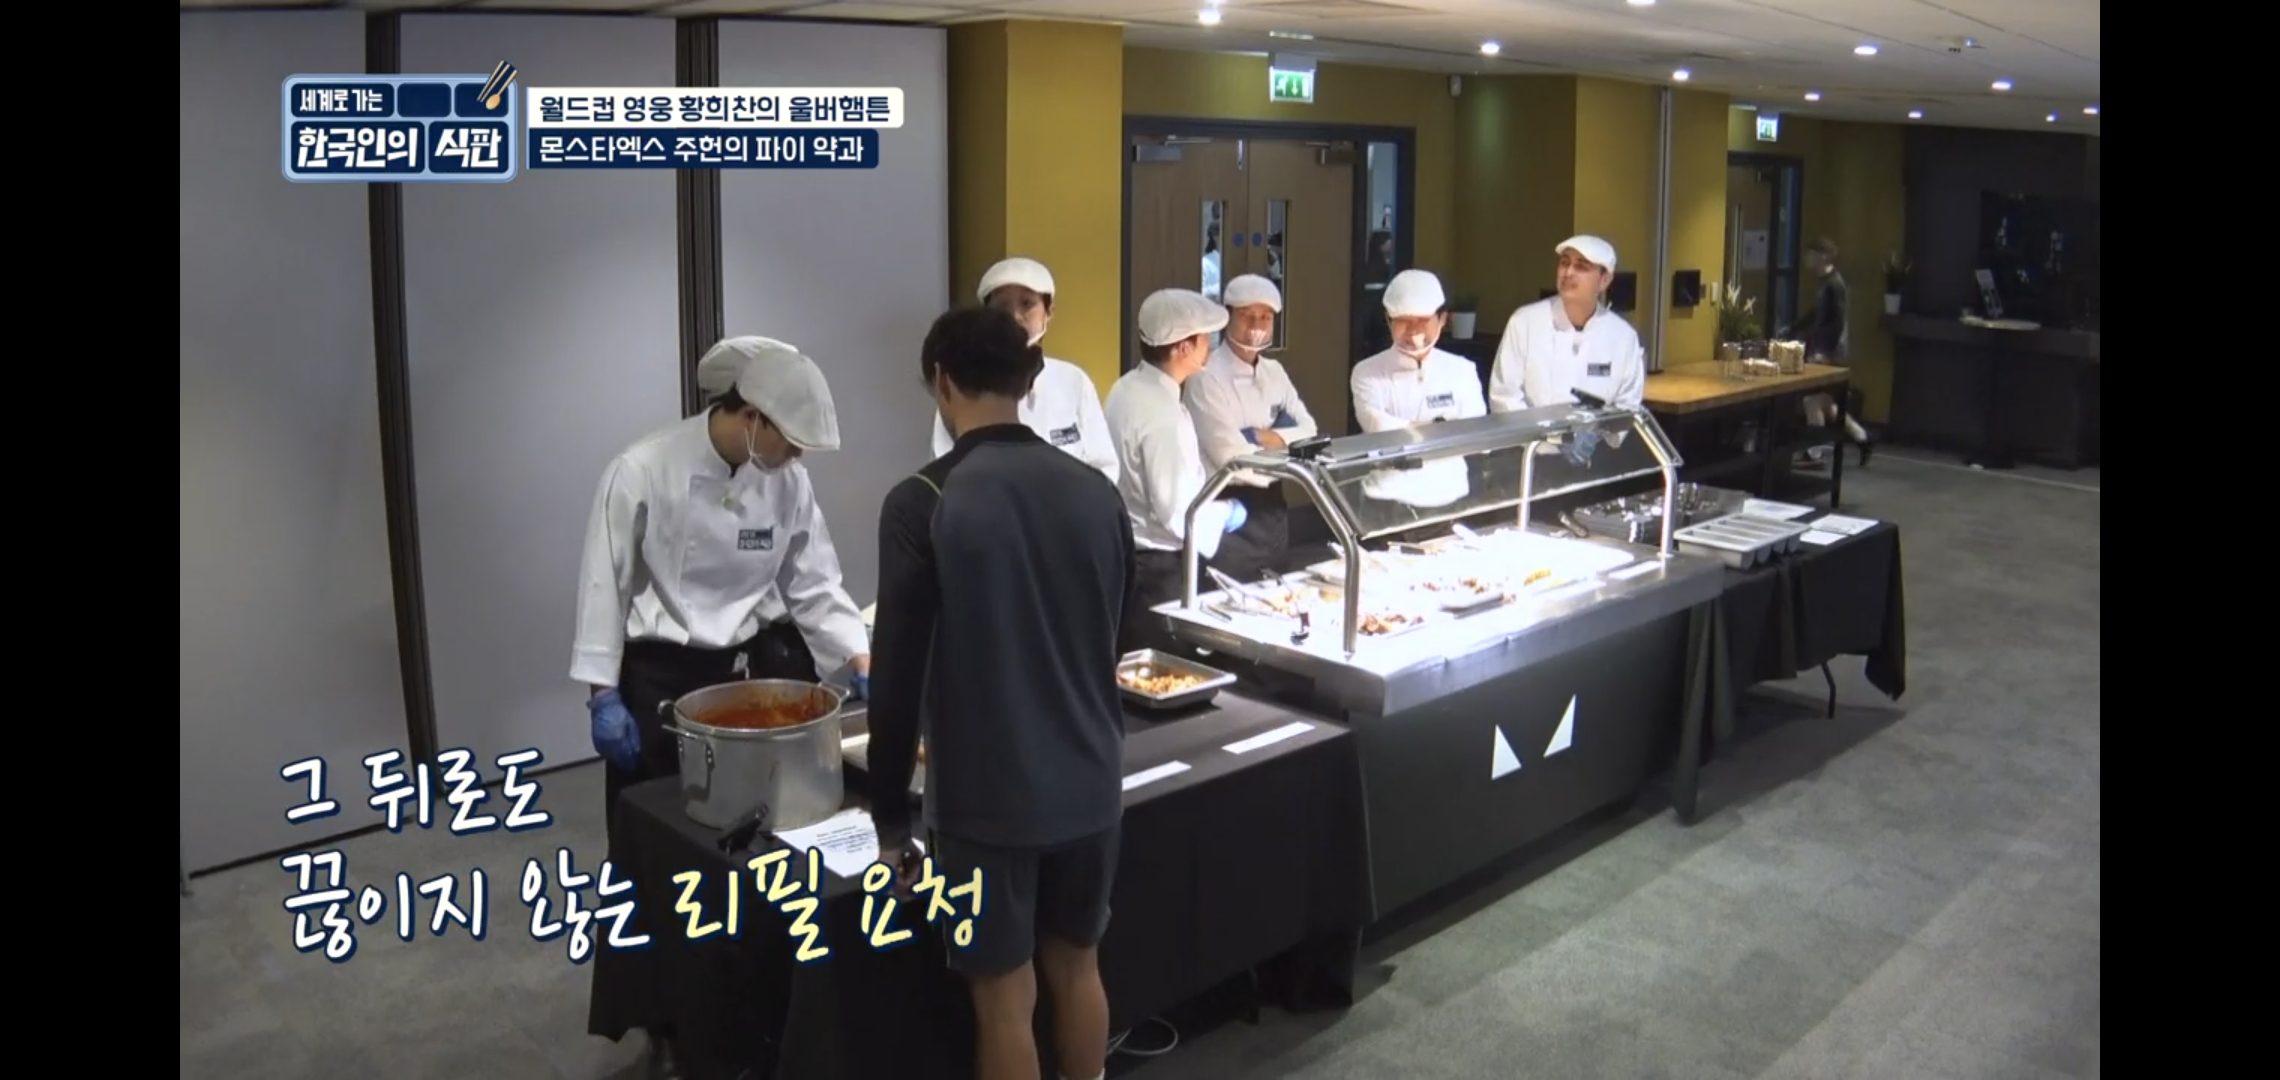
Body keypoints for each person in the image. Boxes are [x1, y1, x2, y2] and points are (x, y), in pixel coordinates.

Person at [572, 336, 871, 1080]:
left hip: (749, 674)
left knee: (750, 855)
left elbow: (814, 581)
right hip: (660, 678)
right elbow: (604, 581)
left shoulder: (786, 481)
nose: (795, 458)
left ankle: (748, 1012)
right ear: (753, 416)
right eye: (790, 442)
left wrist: (860, 659)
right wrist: (603, 694)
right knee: (662, 858)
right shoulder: (644, 468)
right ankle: (664, 1018)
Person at [869, 306, 1134, 1080]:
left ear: (942, 382)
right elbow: (1117, 639)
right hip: (1092, 780)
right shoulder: (1096, 491)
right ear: (1028, 380)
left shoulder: (923, 499)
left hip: (986, 803)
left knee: (1003, 997)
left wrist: (890, 821)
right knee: (1079, 967)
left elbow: (897, 675)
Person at [1105, 288, 1247, 651]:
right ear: (1184, 348)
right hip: (1158, 569)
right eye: (1205, 339)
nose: (1210, 347)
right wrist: (1226, 512)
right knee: (1164, 666)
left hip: (1128, 557)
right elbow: (1176, 513)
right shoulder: (1161, 414)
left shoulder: (1127, 387)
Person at [931, 258, 1118, 483]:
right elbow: (945, 472)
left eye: (1027, 303)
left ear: (1049, 312)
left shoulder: (1074, 381)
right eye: (1002, 306)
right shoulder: (963, 385)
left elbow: (1105, 469)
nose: (1015, 316)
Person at [1181, 273, 1318, 580]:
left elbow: (1310, 431)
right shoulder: (1205, 376)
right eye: (1247, 316)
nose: (1257, 326)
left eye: (1266, 317)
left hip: (1274, 506)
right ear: (1227, 316)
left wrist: (1260, 436)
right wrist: (1286, 444)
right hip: (1227, 505)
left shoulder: (1274, 372)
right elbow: (1232, 459)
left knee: (1276, 592)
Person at [1349, 268, 1487, 508]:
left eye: (1423, 321)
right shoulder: (1367, 372)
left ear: (1442, 319)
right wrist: (1441, 427)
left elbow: (1476, 434)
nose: (1413, 332)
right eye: (1404, 321)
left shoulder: (1462, 369)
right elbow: (1378, 428)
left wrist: (1411, 427)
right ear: (1388, 320)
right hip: (1386, 498)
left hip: (1451, 497)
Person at [1486, 235, 1647, 414]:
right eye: (1564, 263)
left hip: (1597, 433)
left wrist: (1596, 431)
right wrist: (1541, 432)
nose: (1568, 272)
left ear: (1604, 280)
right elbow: (1504, 397)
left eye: (1581, 266)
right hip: (1532, 432)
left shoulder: (1623, 337)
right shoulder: (1524, 323)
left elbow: (1627, 407)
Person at [1785, 236, 1872, 467]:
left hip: (1829, 353)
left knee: (1810, 399)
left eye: (1811, 254)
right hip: (1824, 349)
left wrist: (1824, 352)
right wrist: (1794, 328)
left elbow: (1838, 322)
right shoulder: (1825, 282)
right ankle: (1862, 437)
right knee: (1825, 403)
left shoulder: (1835, 284)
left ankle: (1814, 454)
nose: (1807, 259)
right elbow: (1816, 313)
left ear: (1822, 256)